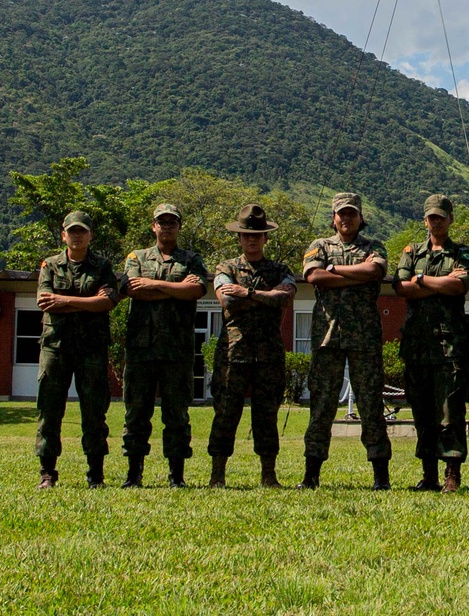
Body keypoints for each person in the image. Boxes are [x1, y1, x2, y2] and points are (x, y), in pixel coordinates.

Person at [299, 191, 392, 491]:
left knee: (370, 405)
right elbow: (314, 277)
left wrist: (336, 270)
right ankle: (310, 475)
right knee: (322, 406)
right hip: (327, 337)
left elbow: (376, 270)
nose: (346, 218)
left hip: (364, 338)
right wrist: (357, 276)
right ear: (333, 217)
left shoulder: (373, 246)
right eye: (341, 213)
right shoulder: (319, 246)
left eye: (352, 213)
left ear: (361, 217)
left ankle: (381, 477)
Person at [207, 204, 296, 488]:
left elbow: (285, 298)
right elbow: (226, 300)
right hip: (234, 354)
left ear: (266, 238)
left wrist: (248, 292)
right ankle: (217, 475)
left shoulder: (280, 270)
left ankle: (268, 475)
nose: (252, 239)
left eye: (257, 234)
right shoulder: (226, 268)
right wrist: (265, 297)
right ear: (240, 238)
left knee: (266, 415)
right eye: (247, 235)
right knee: (225, 414)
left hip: (269, 355)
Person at [120, 202, 208, 488]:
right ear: (153, 226)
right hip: (141, 349)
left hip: (177, 350)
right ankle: (134, 475)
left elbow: (195, 290)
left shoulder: (192, 260)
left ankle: (176, 476)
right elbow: (133, 289)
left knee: (177, 414)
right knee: (136, 413)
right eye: (162, 221)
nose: (167, 226)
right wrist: (175, 289)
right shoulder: (137, 256)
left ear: (179, 226)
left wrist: (155, 285)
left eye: (172, 221)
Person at [393, 193, 469, 492]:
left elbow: (459, 286)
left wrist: (420, 280)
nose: (436, 221)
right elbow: (400, 288)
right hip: (417, 342)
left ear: (450, 219)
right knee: (422, 411)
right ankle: (428, 474)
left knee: (450, 411)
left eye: (441, 216)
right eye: (431, 217)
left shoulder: (461, 253)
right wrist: (432, 284)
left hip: (449, 343)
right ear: (425, 219)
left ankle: (451, 474)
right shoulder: (412, 251)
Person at [35, 209, 119, 488]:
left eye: (82, 231)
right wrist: (86, 301)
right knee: (49, 410)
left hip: (91, 348)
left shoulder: (102, 266)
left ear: (90, 235)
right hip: (55, 347)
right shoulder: (50, 265)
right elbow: (44, 301)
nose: (77, 235)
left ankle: (95, 474)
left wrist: (65, 302)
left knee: (94, 412)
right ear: (64, 235)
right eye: (72, 231)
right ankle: (47, 472)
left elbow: (107, 302)